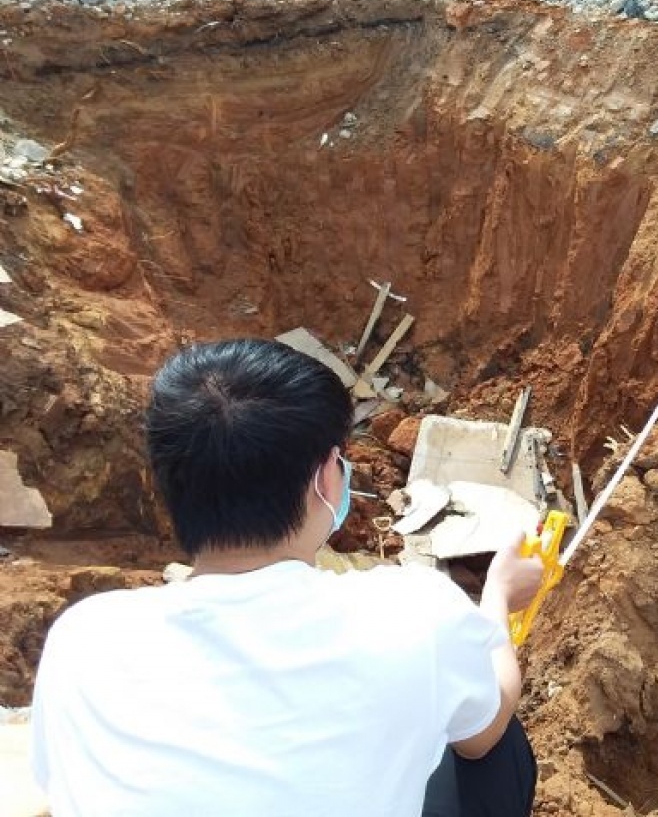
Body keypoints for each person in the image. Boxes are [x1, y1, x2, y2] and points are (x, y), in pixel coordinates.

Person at [30, 338, 544, 817]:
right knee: (494, 747)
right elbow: (490, 719)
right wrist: (497, 594)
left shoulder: (83, 637)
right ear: (324, 478)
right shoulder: (412, 610)